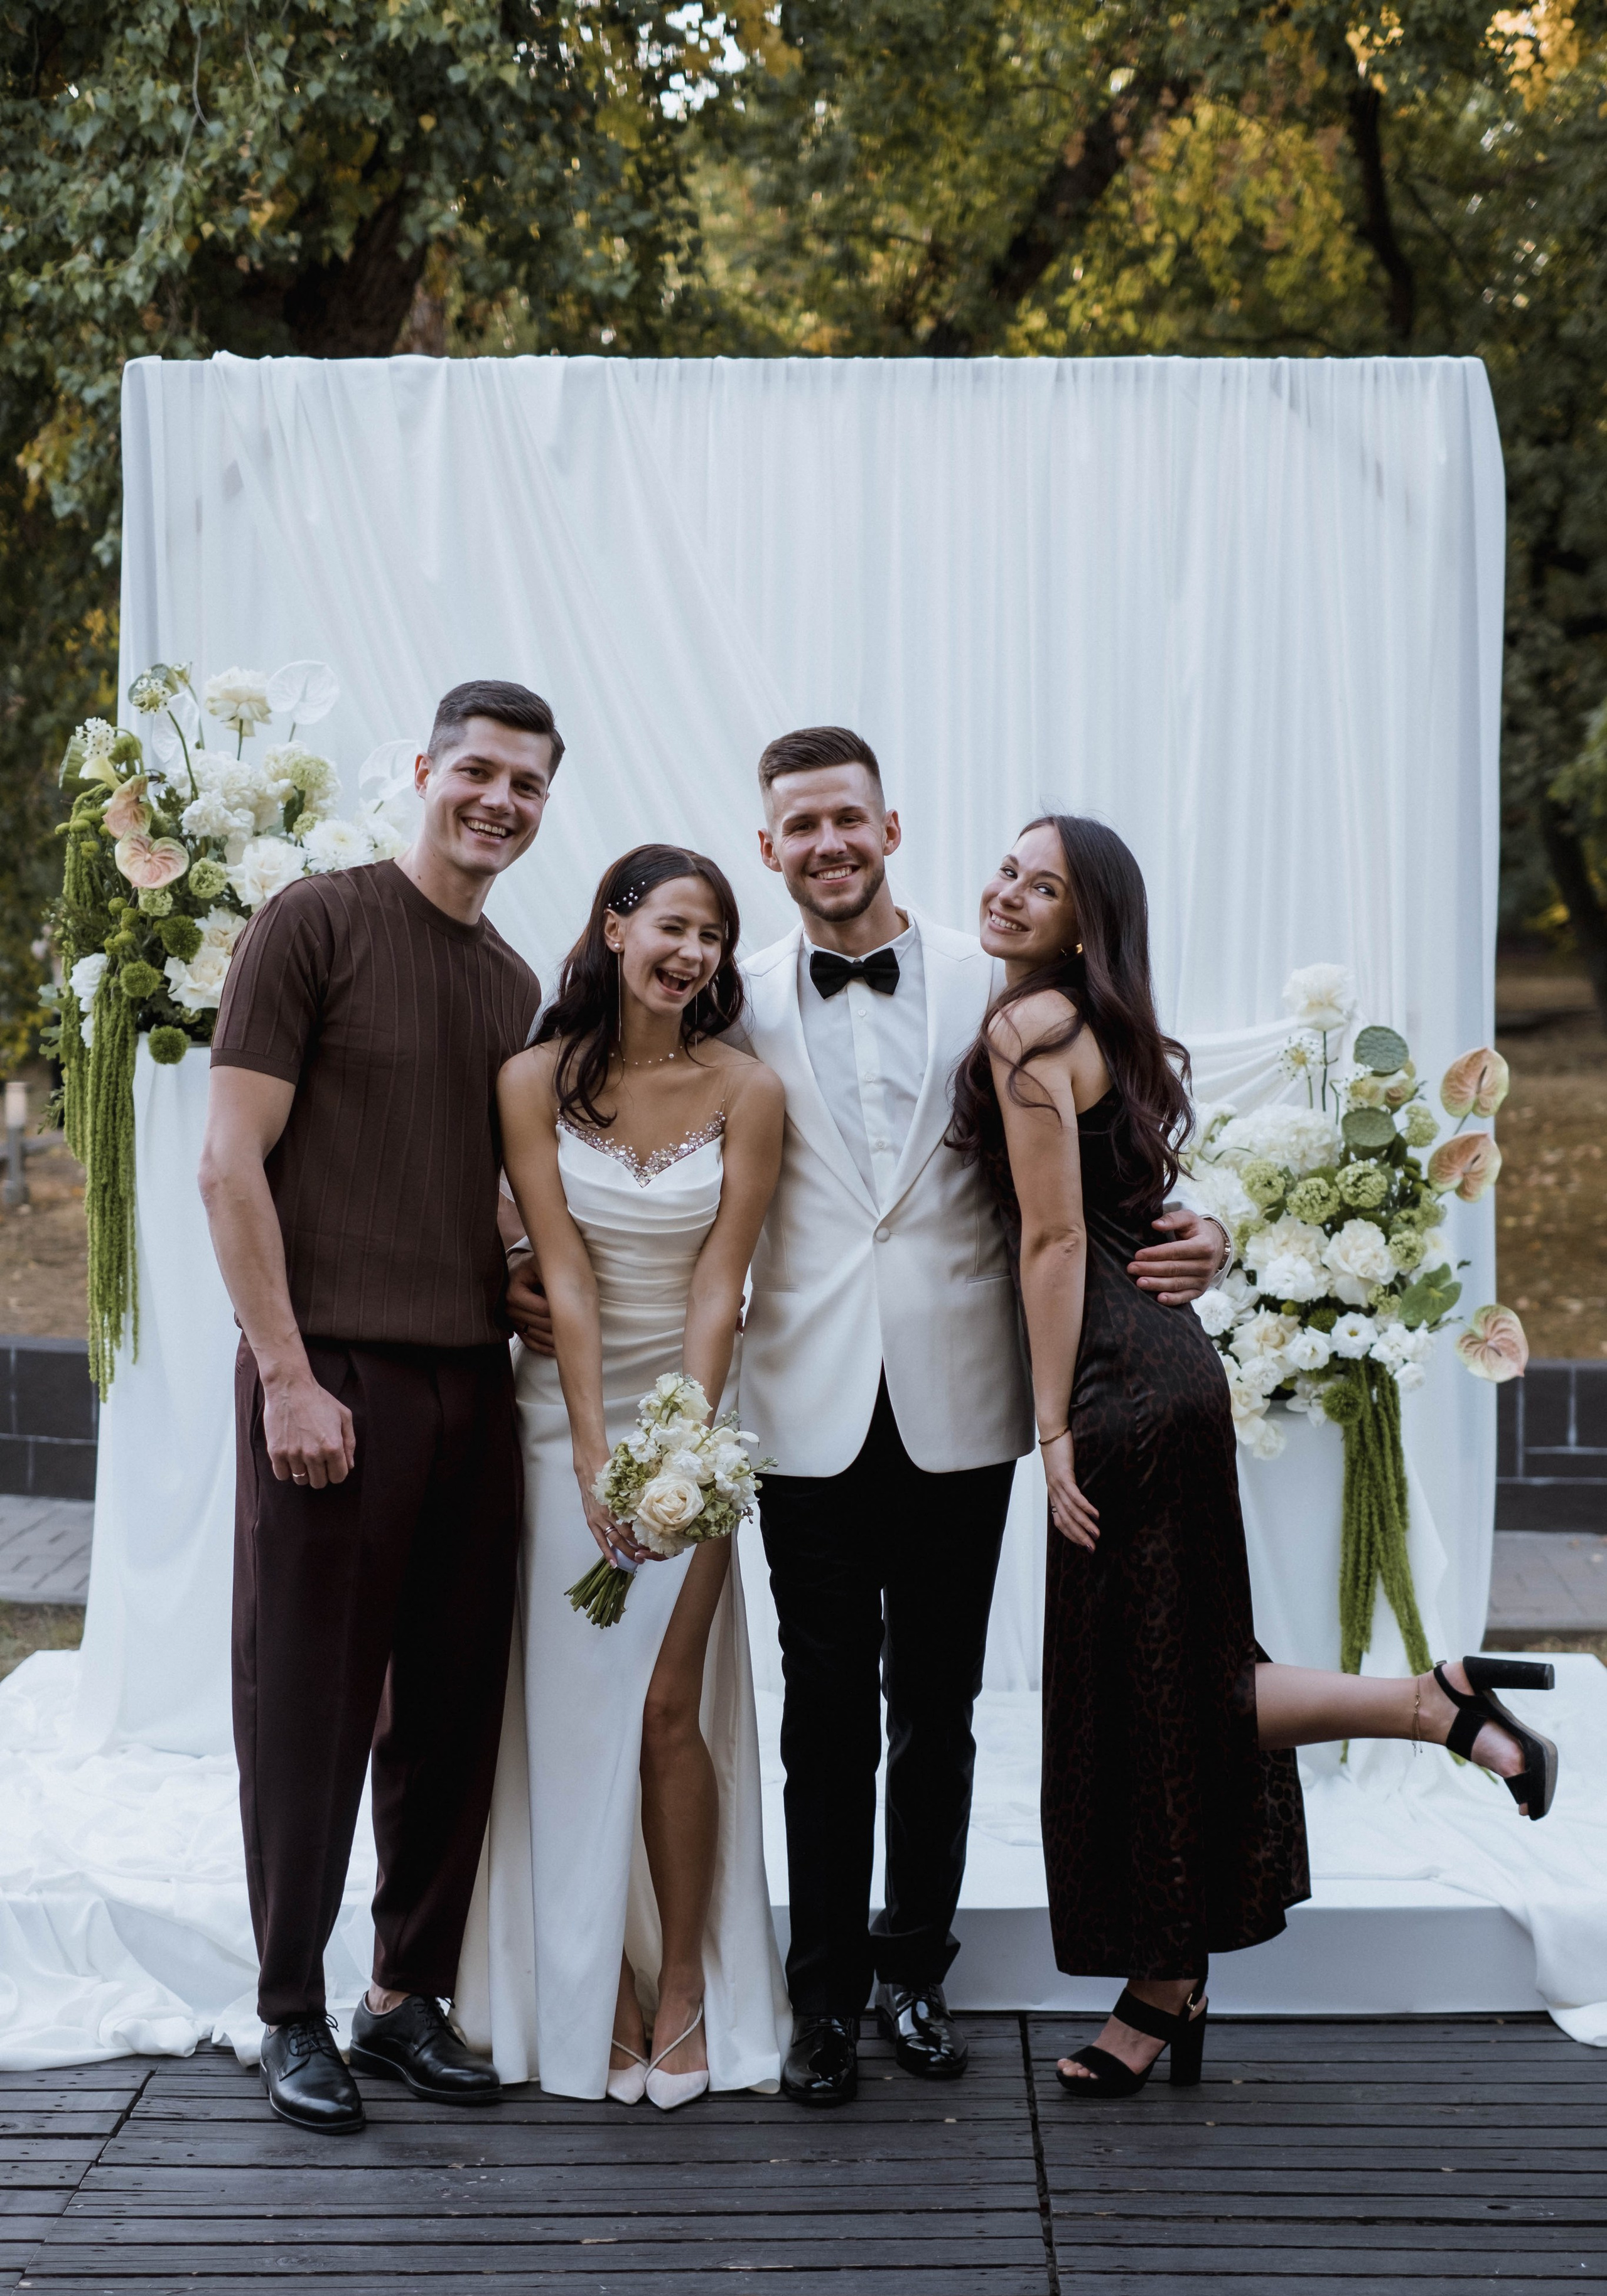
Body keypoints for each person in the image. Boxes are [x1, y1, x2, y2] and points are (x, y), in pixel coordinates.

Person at [952, 812, 1561, 2100]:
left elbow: (1053, 1244)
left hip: (1119, 1388)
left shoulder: (1026, 1032)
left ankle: (1418, 1721)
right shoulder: (1094, 1025)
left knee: (1150, 1694)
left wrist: (1050, 1429)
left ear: (1082, 919)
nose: (1006, 892)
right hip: (1168, 1373)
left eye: (1039, 886)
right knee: (1168, 1681)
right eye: (1006, 868)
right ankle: (1414, 1720)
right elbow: (1140, 1204)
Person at [735, 728, 1229, 2107]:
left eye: (848, 818)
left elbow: (1120, 1135)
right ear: (766, 846)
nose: (826, 844)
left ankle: (912, 1977)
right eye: (798, 826)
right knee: (820, 1710)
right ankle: (820, 1998)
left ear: (890, 829)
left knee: (934, 1706)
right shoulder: (730, 993)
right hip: (800, 1394)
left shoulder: (1000, 984)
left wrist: (1209, 1224)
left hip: (967, 1396)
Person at [200, 679, 557, 2135]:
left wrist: (533, 1284)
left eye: (526, 784)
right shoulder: (314, 924)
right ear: (422, 770)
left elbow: (476, 1189)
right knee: (308, 1705)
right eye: (475, 771)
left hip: (475, 1381)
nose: (498, 801)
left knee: (455, 1712)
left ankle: (404, 1997)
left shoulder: (514, 986)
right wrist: (285, 1373)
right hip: (329, 1373)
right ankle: (289, 2006)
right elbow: (231, 1163)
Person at [454, 845, 792, 2107]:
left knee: (668, 1707)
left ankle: (689, 1985)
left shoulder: (746, 1089)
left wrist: (685, 1456)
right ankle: (587, 1981)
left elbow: (720, 1283)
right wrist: (596, 1456)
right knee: (575, 1710)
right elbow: (567, 1278)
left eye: (713, 932)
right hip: (561, 1424)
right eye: (672, 923)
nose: (693, 950)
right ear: (612, 926)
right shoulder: (529, 1080)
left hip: (697, 1424)